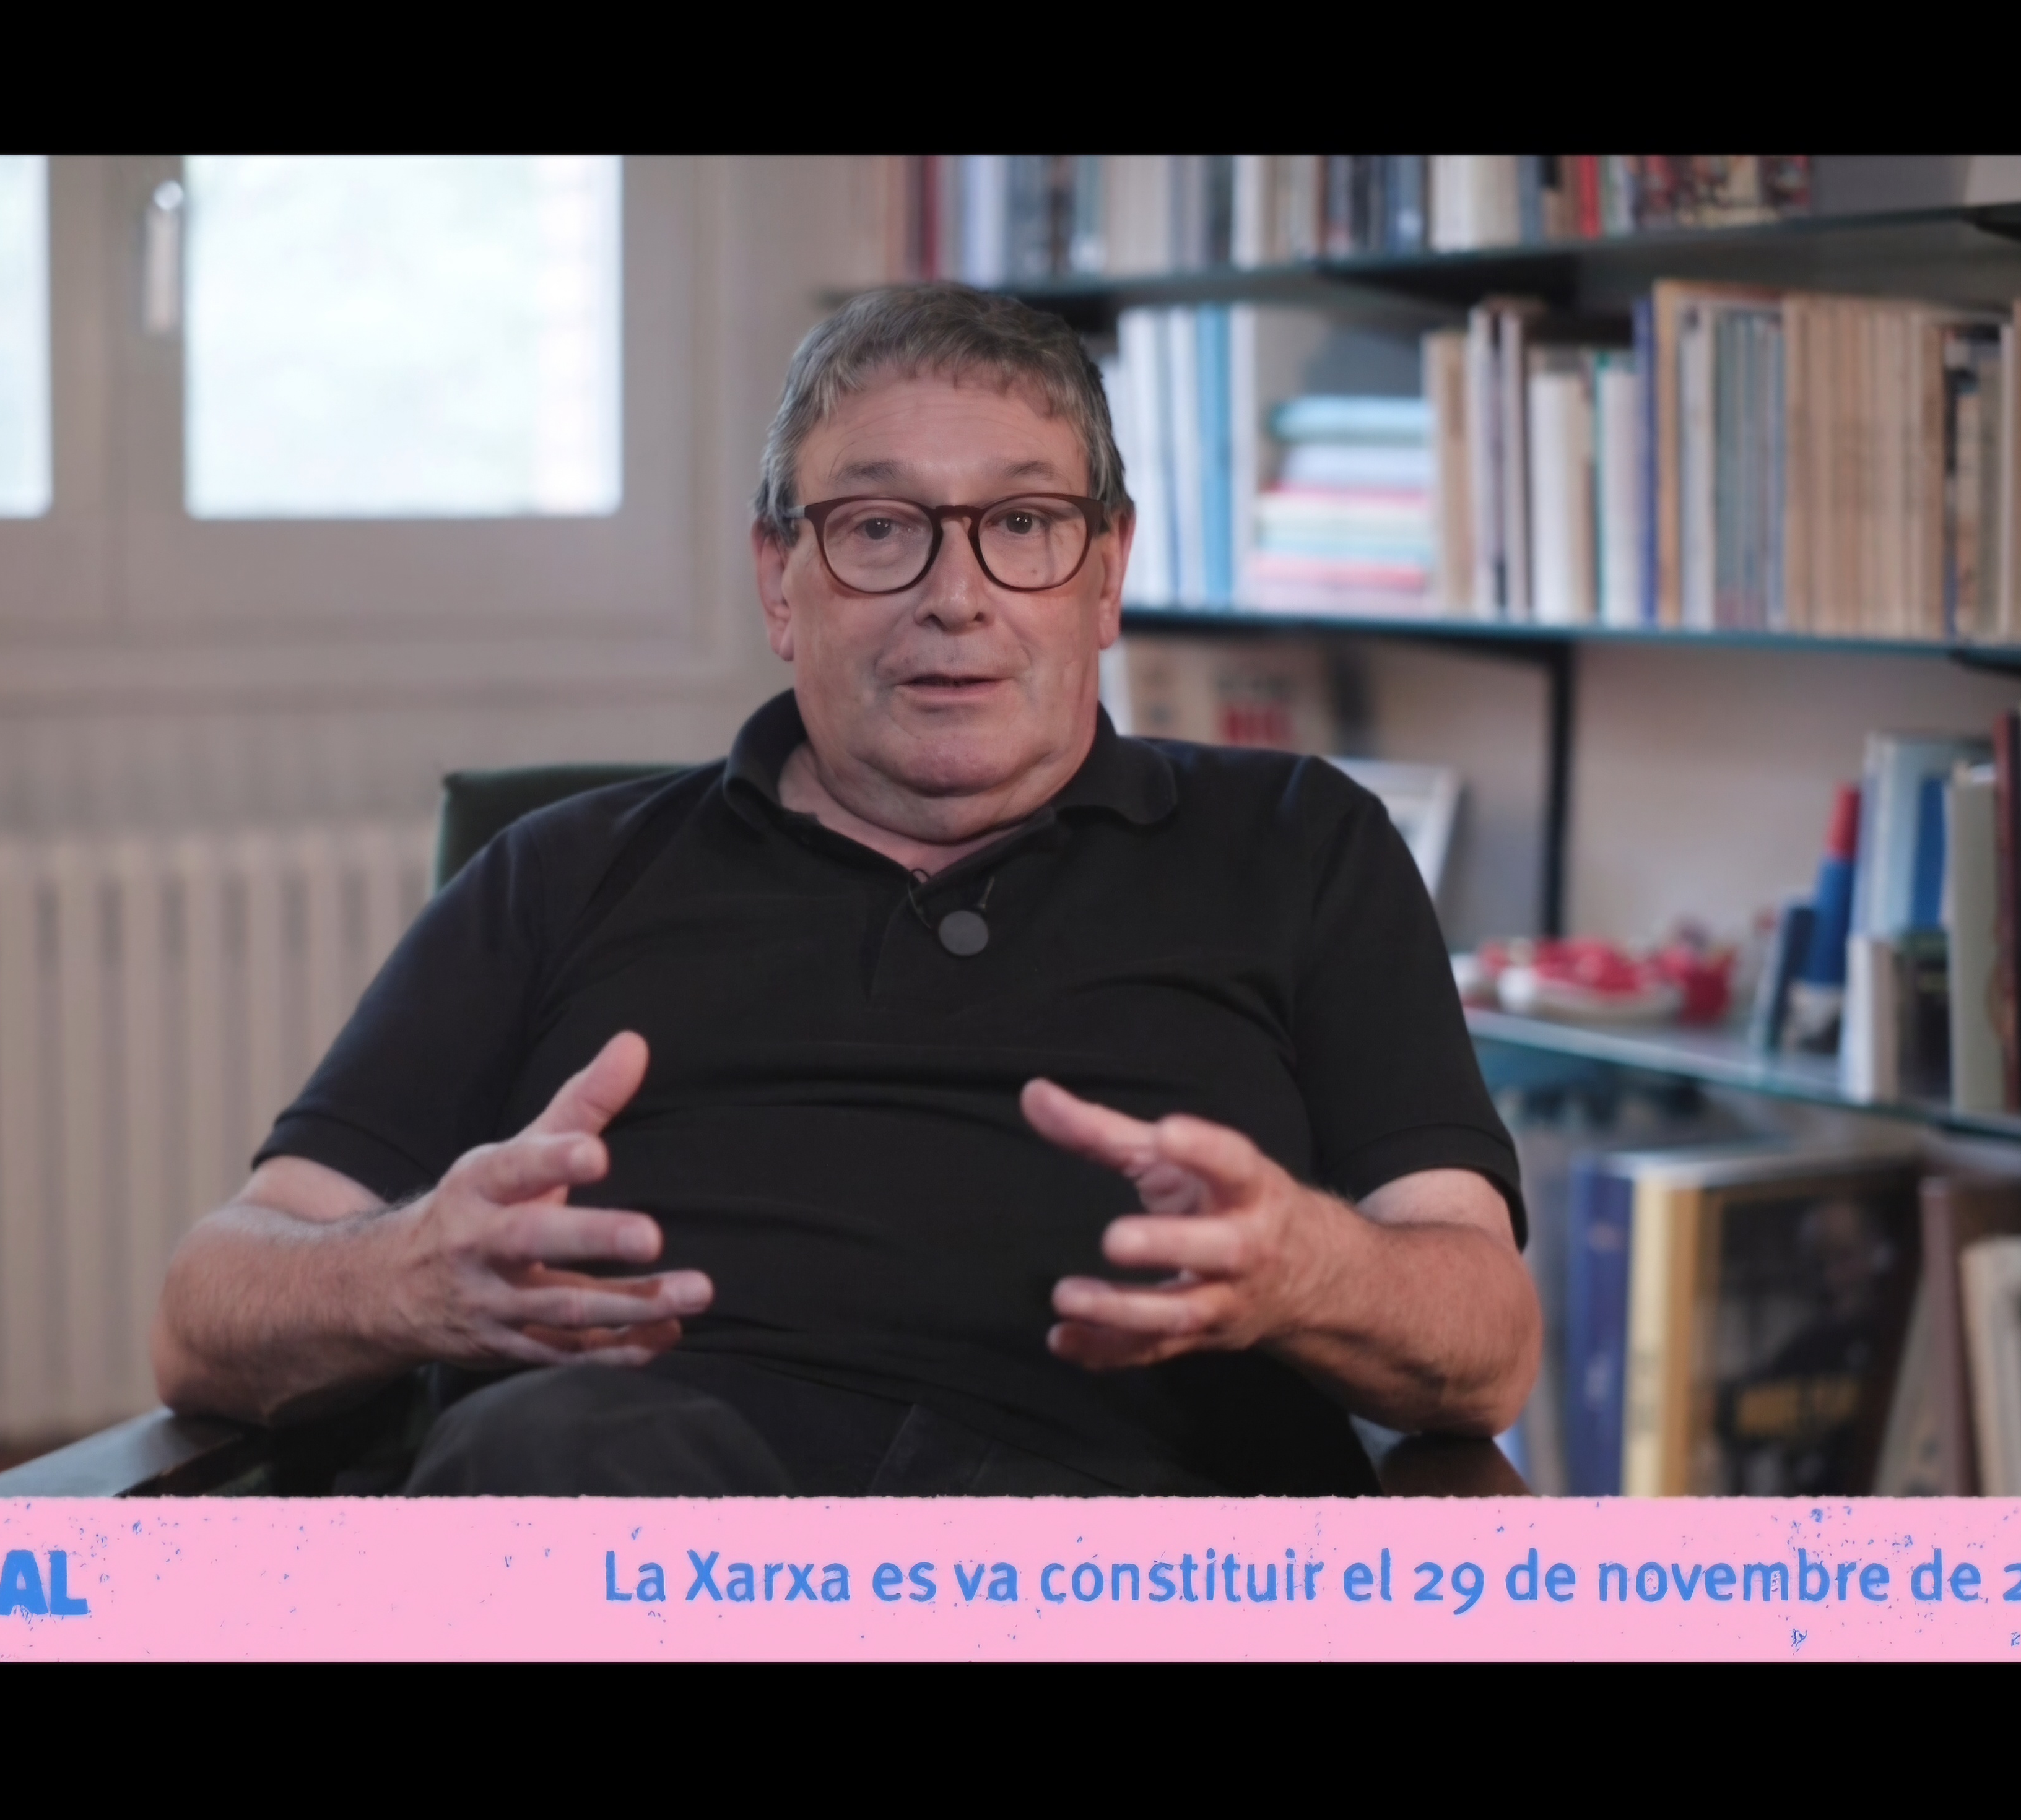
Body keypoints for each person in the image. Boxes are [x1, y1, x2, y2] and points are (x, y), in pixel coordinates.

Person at [151, 283, 1539, 1496]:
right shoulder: (565, 872)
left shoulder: (1298, 843)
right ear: (782, 579)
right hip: (644, 1526)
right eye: (880, 528)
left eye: (1025, 524)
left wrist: (1307, 1267)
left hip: (1120, 1546)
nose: (957, 595)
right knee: (554, 1452)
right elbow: (208, 1308)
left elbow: (1488, 1346)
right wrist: (406, 1276)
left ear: (1107, 575)